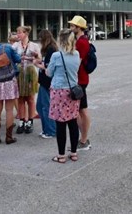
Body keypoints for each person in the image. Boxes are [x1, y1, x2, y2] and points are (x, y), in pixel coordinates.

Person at [47, 29, 82, 163]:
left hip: (59, 92)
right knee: (72, 122)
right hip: (73, 91)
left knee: (60, 124)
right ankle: (73, 152)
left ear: (61, 40)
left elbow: (49, 73)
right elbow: (76, 71)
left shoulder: (57, 55)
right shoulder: (76, 54)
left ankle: (61, 155)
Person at [0, 38, 21, 145]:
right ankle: (8, 137)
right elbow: (18, 59)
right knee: (9, 110)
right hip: (10, 81)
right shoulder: (8, 48)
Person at [68, 16, 93, 150]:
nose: (71, 28)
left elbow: (77, 62)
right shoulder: (81, 40)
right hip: (80, 79)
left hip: (80, 80)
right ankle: (82, 139)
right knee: (79, 109)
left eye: (73, 26)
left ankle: (84, 140)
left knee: (82, 109)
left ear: (79, 27)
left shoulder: (82, 42)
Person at [12, 25, 41, 135]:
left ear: (26, 34)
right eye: (17, 32)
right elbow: (11, 57)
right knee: (20, 98)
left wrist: (34, 56)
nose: (18, 35)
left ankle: (30, 121)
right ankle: (22, 120)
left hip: (30, 71)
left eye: (20, 32)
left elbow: (39, 59)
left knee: (30, 98)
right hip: (19, 72)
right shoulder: (15, 45)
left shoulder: (34, 45)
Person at [35, 29, 58, 139]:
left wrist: (37, 65)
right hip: (44, 81)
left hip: (47, 81)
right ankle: (46, 129)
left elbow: (48, 67)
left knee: (46, 106)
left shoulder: (51, 49)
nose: (39, 41)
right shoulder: (48, 49)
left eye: (40, 39)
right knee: (40, 106)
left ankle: (51, 130)